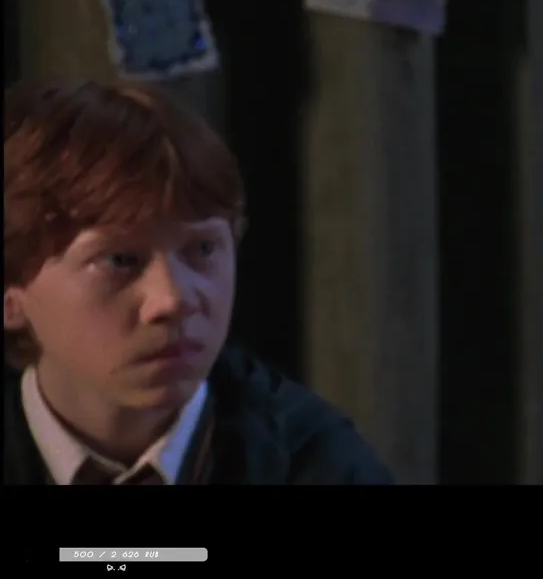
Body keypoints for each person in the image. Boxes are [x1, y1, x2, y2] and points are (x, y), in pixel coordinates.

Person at [3, 78, 394, 485]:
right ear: (11, 292)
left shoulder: (319, 466)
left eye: (204, 249)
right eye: (121, 260)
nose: (172, 299)